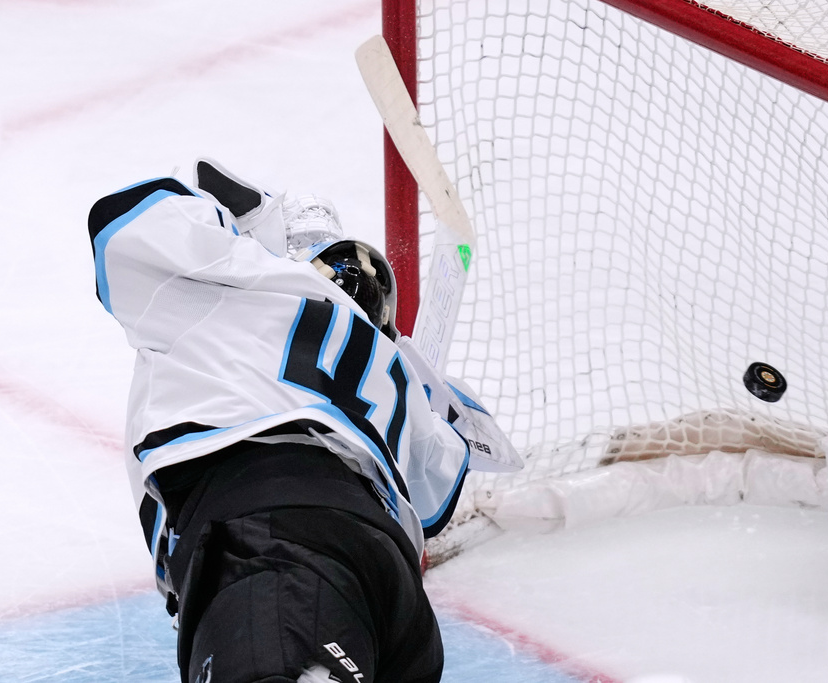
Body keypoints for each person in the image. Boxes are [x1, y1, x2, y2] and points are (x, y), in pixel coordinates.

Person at [87, 158, 521, 683]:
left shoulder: (233, 293)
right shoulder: (395, 374)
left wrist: (260, 214)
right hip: (391, 589)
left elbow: (119, 221)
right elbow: (435, 501)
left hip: (276, 554)